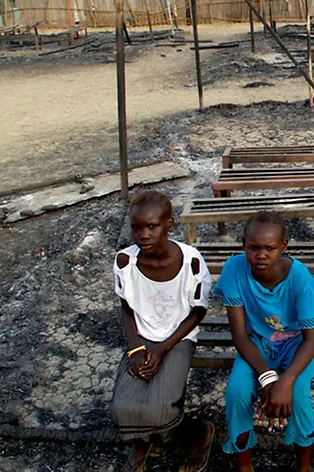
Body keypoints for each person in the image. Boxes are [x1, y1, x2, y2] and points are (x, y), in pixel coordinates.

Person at [110, 190, 215, 472]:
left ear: (169, 225)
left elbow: (197, 312)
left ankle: (197, 433)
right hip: (142, 338)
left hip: (177, 338)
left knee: (160, 409)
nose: (143, 235)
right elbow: (127, 308)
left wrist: (162, 348)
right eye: (136, 227)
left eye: (152, 226)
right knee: (121, 409)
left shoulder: (190, 262)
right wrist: (134, 348)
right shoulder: (125, 262)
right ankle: (143, 439)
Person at [213, 211, 314, 472]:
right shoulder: (234, 270)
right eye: (254, 248)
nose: (261, 255)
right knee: (236, 392)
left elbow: (311, 339)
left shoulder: (300, 278)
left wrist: (284, 381)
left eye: (270, 248)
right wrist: (267, 377)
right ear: (243, 245)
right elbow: (240, 335)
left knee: (296, 394)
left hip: (298, 343)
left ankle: (304, 465)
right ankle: (244, 463)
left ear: (283, 247)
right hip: (258, 342)